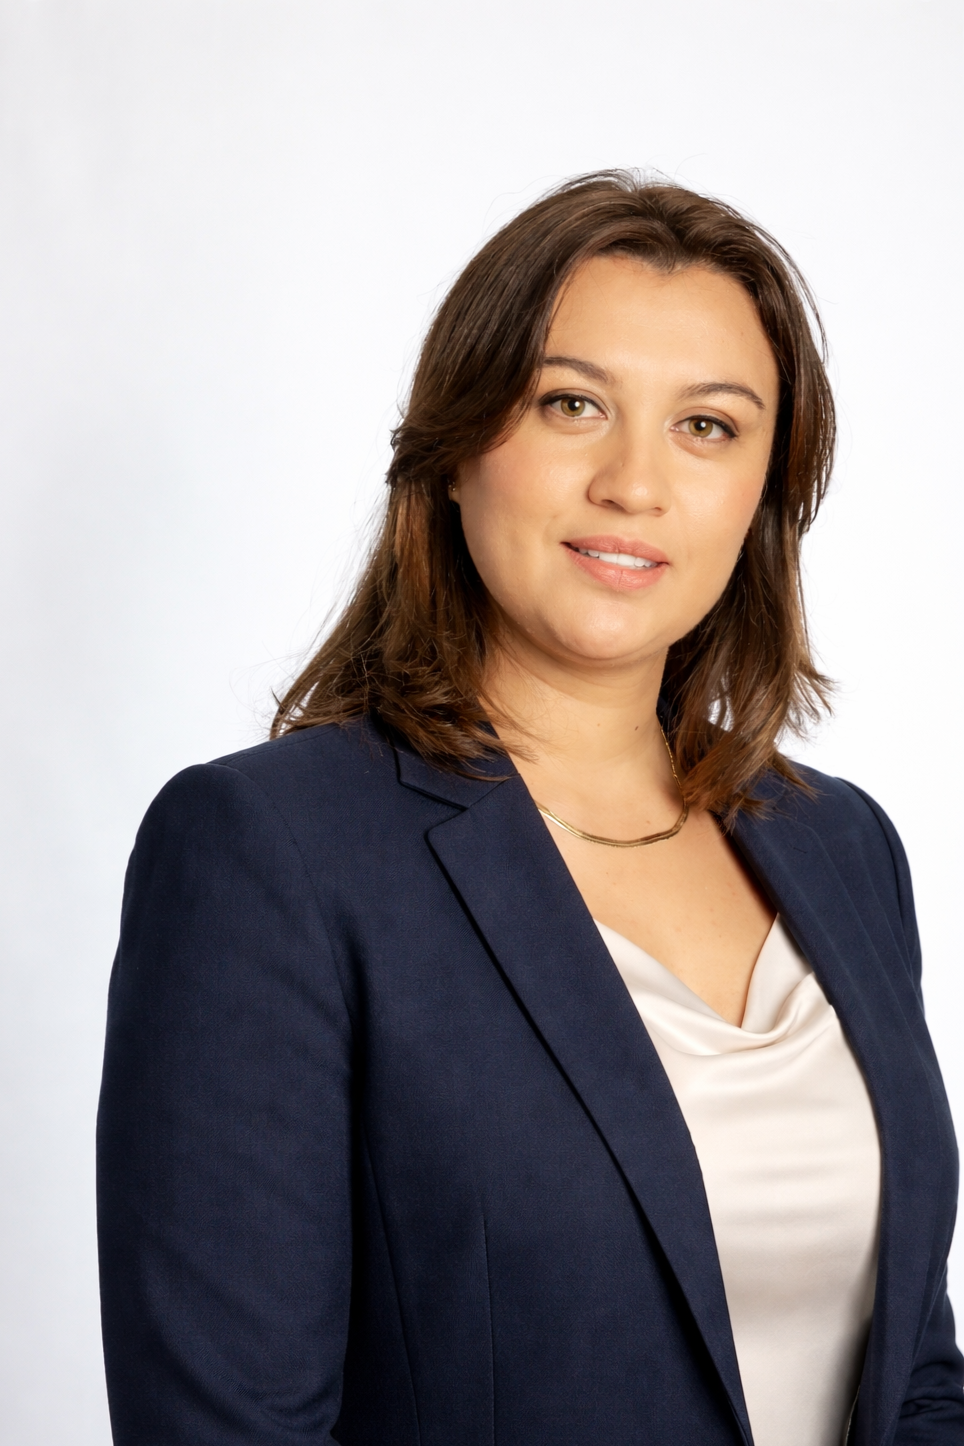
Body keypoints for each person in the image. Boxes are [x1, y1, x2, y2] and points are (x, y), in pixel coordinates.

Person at [96, 172, 963, 1446]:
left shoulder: (839, 846)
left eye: (707, 426)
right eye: (572, 404)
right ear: (455, 449)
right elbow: (225, 1425)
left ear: (764, 494)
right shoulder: (270, 852)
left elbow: (914, 1374)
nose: (633, 482)